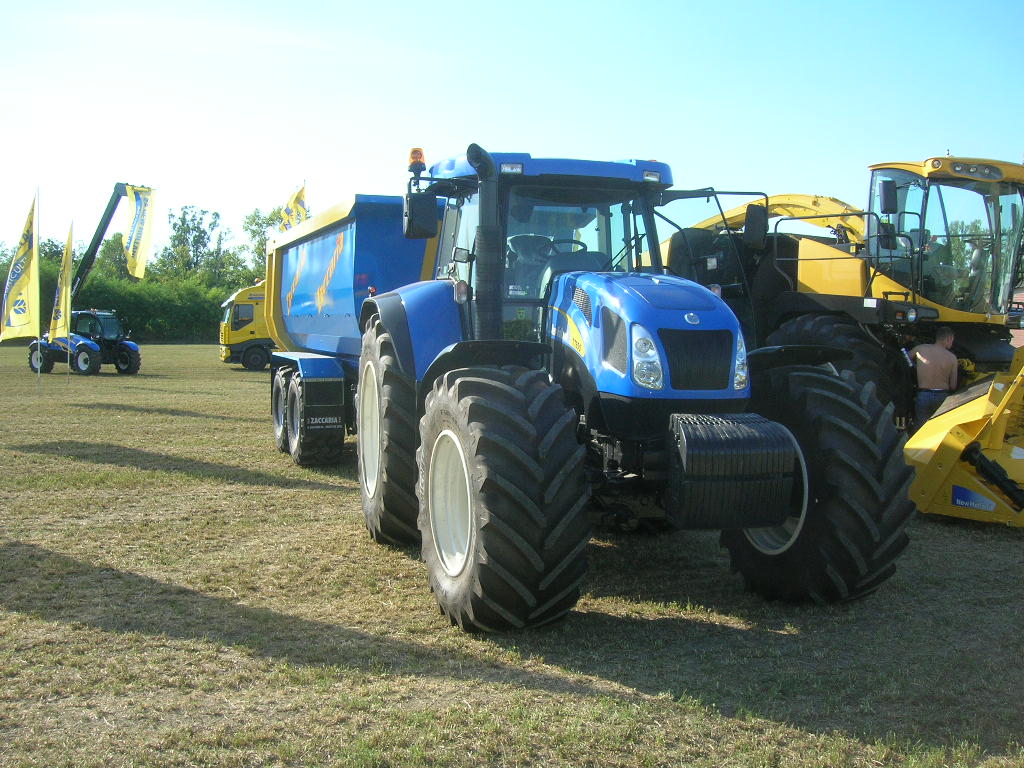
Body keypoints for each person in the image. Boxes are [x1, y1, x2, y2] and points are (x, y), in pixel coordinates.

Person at [910, 327, 958, 424]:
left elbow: (905, 359)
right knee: (938, 427)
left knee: (921, 427)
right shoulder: (952, 358)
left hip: (923, 395)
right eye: (952, 340)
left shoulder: (920, 349)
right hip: (942, 397)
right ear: (948, 339)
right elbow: (953, 386)